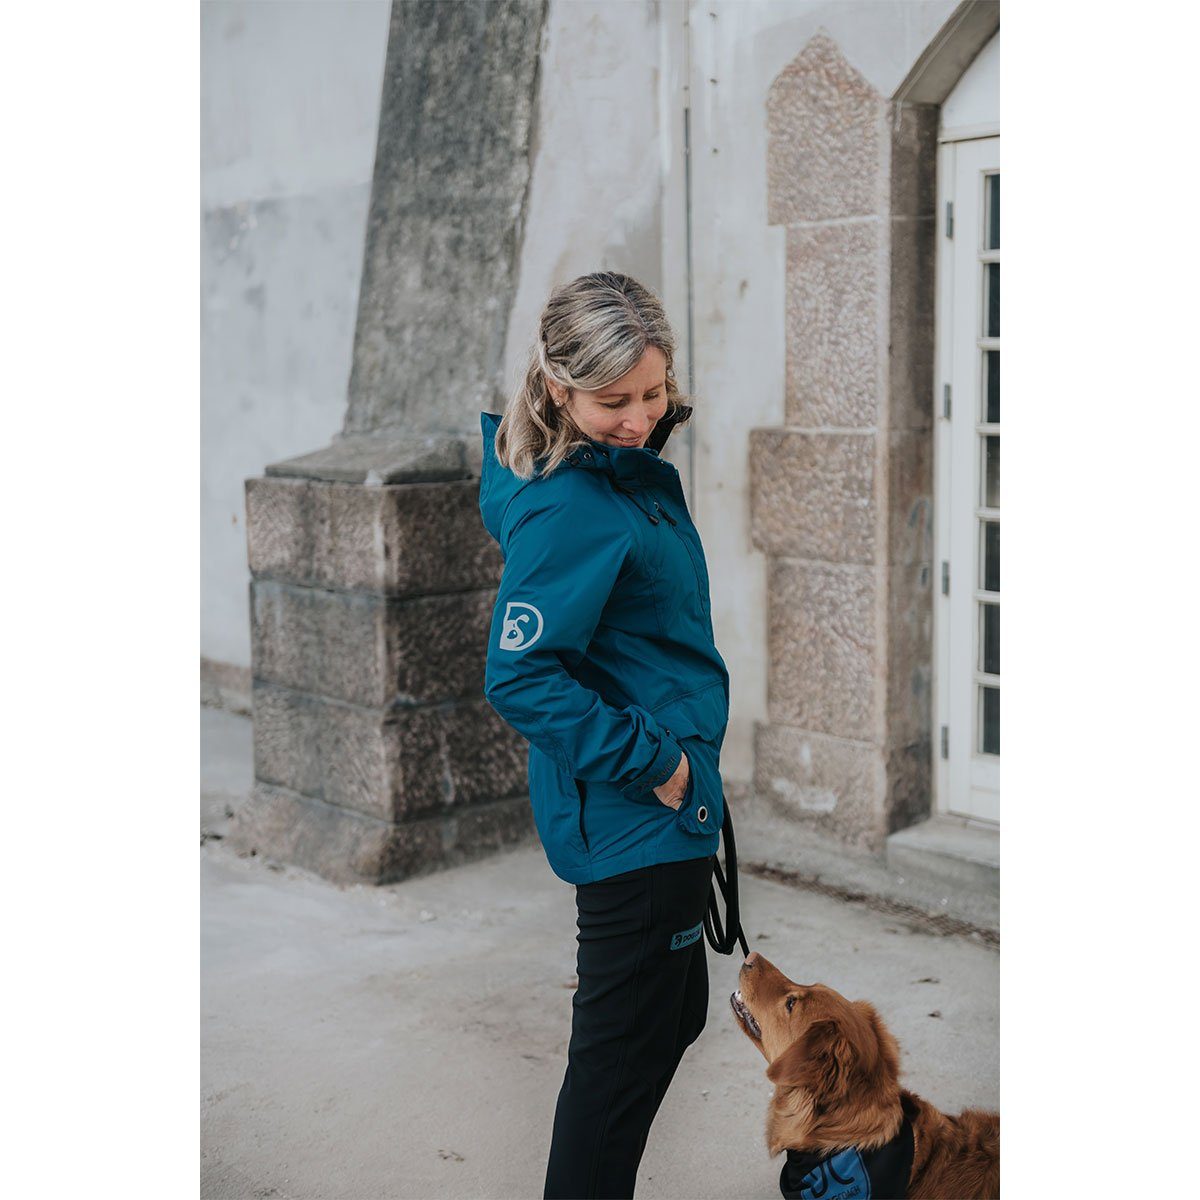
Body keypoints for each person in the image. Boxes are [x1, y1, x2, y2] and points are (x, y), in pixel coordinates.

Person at [478, 270, 731, 1199]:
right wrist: (660, 766)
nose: (639, 418)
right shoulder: (573, 506)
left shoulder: (618, 478)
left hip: (665, 806)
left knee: (671, 1017)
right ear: (558, 389)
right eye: (613, 401)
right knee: (617, 1063)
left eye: (652, 392)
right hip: (637, 816)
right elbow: (520, 675)